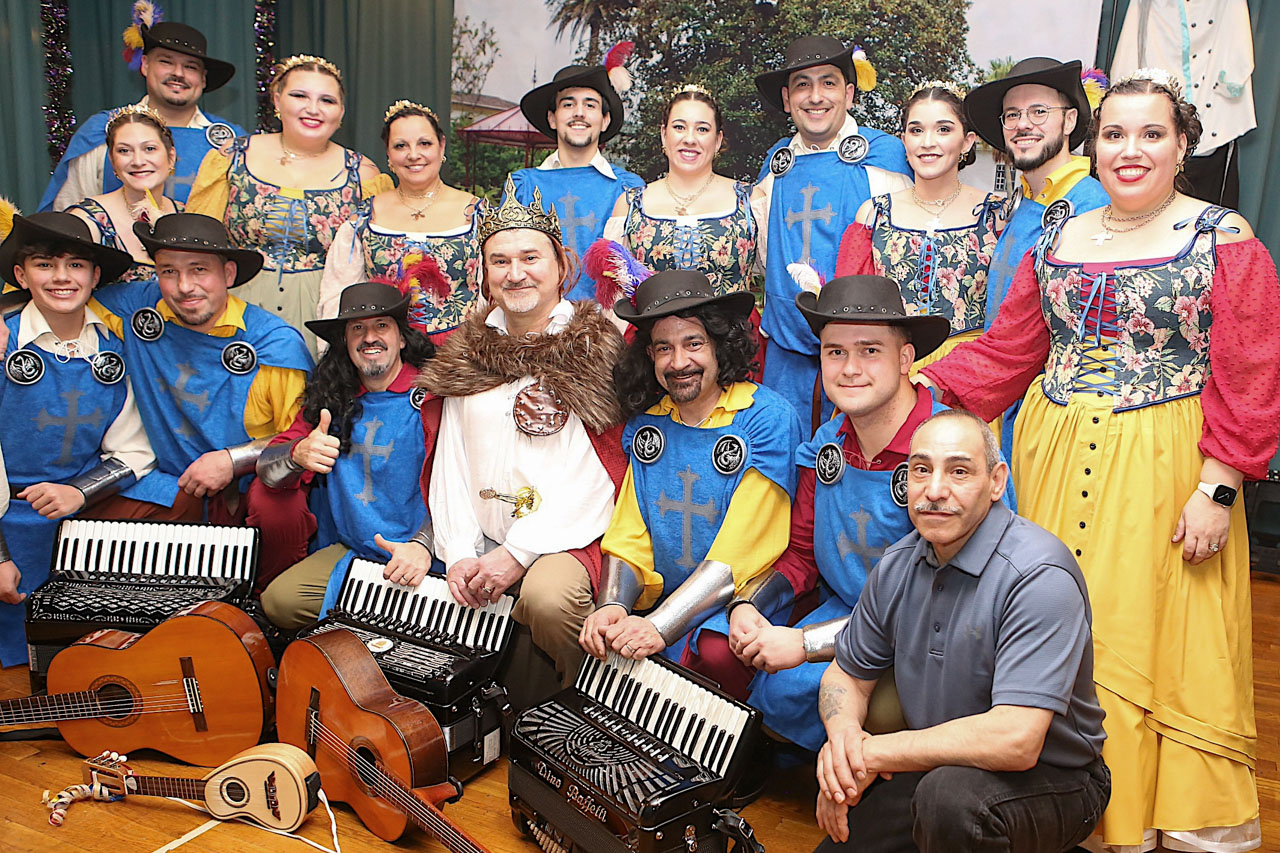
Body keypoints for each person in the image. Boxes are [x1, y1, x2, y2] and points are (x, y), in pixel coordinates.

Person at [919, 70, 1280, 852]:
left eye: (1152, 134)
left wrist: (1218, 487)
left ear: (1183, 144)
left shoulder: (1225, 238)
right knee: (1057, 631)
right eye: (1114, 134)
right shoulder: (1058, 236)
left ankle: (1167, 816)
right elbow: (1013, 349)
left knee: (1155, 641)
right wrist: (924, 381)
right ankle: (1075, 812)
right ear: (1094, 144)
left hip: (1165, 464)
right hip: (1051, 454)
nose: (1131, 150)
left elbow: (1249, 376)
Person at [812, 409, 1109, 853]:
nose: (934, 491)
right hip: (941, 763)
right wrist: (843, 747)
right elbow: (847, 675)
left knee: (950, 804)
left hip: (1056, 779)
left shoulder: (1039, 574)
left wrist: (873, 754)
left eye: (958, 471)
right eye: (920, 470)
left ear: (996, 481)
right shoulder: (898, 563)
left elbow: (1017, 741)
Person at [727, 275, 953, 748]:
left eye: (870, 350)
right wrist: (751, 603)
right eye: (835, 352)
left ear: (905, 359)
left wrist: (806, 645)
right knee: (774, 685)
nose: (850, 368)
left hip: (932, 636)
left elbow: (941, 597)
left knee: (887, 710)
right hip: (846, 612)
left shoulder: (946, 451)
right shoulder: (827, 445)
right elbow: (803, 554)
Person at [418, 178, 627, 687]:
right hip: (486, 533)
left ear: (561, 268)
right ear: (484, 276)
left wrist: (517, 554)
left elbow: (597, 474)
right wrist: (461, 551)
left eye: (531, 258)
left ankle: (603, 708)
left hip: (568, 536)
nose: (516, 274)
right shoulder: (466, 353)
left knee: (547, 599)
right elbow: (452, 462)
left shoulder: (594, 347)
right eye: (500, 262)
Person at [578, 269, 800, 700]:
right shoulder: (650, 423)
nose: (678, 362)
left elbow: (740, 550)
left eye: (693, 343)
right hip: (661, 598)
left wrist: (660, 626)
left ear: (720, 345)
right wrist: (612, 605)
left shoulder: (766, 418)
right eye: (664, 348)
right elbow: (630, 529)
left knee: (718, 653)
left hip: (740, 596)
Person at [92, 213, 313, 583]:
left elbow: (298, 438)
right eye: (168, 271)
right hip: (172, 482)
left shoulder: (272, 342)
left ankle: (270, 608)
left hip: (248, 488)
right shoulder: (137, 310)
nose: (184, 287)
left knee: (279, 509)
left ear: (228, 275)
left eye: (198, 270)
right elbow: (63, 296)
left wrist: (232, 460)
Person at [0, 212, 172, 665]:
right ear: (21, 275)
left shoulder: (114, 350)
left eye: (75, 265)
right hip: (5, 519)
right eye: (44, 264)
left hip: (76, 516)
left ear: (95, 276)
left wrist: (78, 491)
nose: (61, 278)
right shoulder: (3, 342)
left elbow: (133, 449)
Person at [752, 35, 913, 431]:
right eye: (803, 85)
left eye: (828, 82)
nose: (815, 97)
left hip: (861, 359)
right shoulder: (774, 166)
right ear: (788, 99)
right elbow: (761, 254)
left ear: (850, 93)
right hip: (785, 358)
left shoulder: (885, 158)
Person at [257, 281, 438, 628]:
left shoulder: (436, 395)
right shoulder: (332, 398)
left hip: (429, 551)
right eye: (358, 329)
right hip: (355, 552)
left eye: (381, 326)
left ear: (401, 338)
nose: (370, 337)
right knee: (279, 602)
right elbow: (268, 468)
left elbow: (465, 486)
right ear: (346, 342)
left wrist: (424, 545)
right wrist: (298, 454)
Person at [186, 54, 390, 354]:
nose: (313, 109)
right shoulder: (231, 158)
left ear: (341, 112)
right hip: (237, 313)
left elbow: (376, 264)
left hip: (321, 320)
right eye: (299, 96)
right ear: (277, 100)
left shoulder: (364, 175)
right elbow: (197, 245)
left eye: (327, 101)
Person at [835, 84, 1003, 370]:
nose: (927, 142)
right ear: (904, 140)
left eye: (943, 130)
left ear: (967, 141)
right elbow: (848, 312)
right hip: (889, 372)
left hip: (970, 372)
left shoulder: (996, 215)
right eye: (916, 130)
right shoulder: (874, 214)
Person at [319, 100, 483, 344]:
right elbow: (338, 296)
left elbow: (495, 295)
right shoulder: (365, 218)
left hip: (462, 358)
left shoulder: (476, 213)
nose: (413, 154)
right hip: (385, 356)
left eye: (424, 143)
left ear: (442, 146)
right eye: (400, 145)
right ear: (388, 153)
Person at [40, 21, 244, 212]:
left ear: (203, 78)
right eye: (166, 62)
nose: (178, 73)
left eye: (190, 66)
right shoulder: (101, 132)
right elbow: (71, 215)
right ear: (145, 65)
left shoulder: (233, 142)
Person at [509, 64, 644, 303]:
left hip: (608, 327)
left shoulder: (628, 188)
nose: (579, 113)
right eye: (568, 104)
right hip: (537, 329)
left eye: (590, 105)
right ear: (552, 118)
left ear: (604, 120)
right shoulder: (524, 186)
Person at [68, 106, 184, 283]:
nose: (138, 161)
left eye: (149, 148)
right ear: (113, 162)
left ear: (171, 156)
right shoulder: (88, 221)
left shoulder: (184, 214)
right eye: (124, 151)